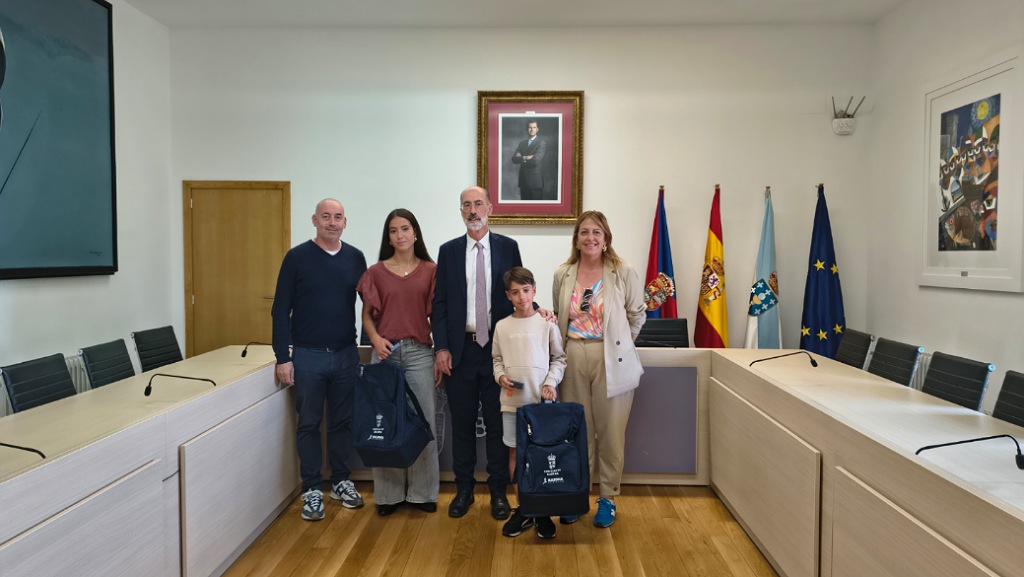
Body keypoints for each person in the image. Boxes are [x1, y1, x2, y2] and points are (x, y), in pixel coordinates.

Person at [272, 198, 367, 521]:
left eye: (338, 217)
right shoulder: (296, 258)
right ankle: (312, 488)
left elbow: (371, 306)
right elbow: (280, 310)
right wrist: (282, 357)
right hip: (307, 355)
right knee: (309, 424)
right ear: (314, 220)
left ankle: (340, 481)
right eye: (326, 216)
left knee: (342, 423)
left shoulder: (355, 258)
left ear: (345, 222)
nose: (332, 222)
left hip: (345, 354)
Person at [432, 185, 523, 520]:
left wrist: (538, 311)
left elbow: (519, 292)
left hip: (498, 352)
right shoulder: (448, 251)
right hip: (461, 352)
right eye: (466, 205)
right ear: (461, 211)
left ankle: (498, 492)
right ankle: (464, 490)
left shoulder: (508, 247)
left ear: (490, 208)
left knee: (498, 426)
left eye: (478, 204)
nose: (473, 210)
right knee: (463, 424)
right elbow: (439, 303)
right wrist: (442, 346)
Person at [552, 210, 646, 528]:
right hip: (573, 355)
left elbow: (637, 314)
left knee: (610, 432)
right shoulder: (563, 273)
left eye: (596, 232)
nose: (590, 238)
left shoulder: (623, 271)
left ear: (606, 238)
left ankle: (608, 498)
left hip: (611, 357)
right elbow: (559, 315)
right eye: (584, 232)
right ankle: (577, 496)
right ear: (576, 238)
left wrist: (622, 344)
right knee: (577, 432)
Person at [357, 208, 440, 516]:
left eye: (405, 228)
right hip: (385, 353)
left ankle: (423, 493)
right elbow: (367, 315)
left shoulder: (431, 270)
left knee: (423, 422)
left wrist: (440, 352)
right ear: (388, 237)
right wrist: (375, 339)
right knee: (385, 422)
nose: (400, 235)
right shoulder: (376, 272)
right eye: (393, 230)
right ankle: (389, 495)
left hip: (419, 353)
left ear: (415, 233)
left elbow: (439, 316)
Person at [492, 266, 566, 539]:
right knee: (516, 454)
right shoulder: (502, 326)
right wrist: (500, 376)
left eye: (526, 290)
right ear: (508, 295)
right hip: (512, 404)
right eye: (515, 292)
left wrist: (550, 383)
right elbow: (497, 360)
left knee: (542, 455)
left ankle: (542, 510)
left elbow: (559, 359)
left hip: (541, 406)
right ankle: (525, 508)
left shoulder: (547, 323)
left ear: (534, 290)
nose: (521, 297)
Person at [511, 120, 546, 201]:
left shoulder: (541, 143)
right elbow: (514, 159)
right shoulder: (522, 143)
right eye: (530, 127)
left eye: (534, 127)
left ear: (537, 129)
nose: (532, 129)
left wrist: (521, 158)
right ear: (527, 129)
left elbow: (536, 161)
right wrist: (526, 157)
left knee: (536, 207)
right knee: (524, 206)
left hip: (535, 182)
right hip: (523, 180)